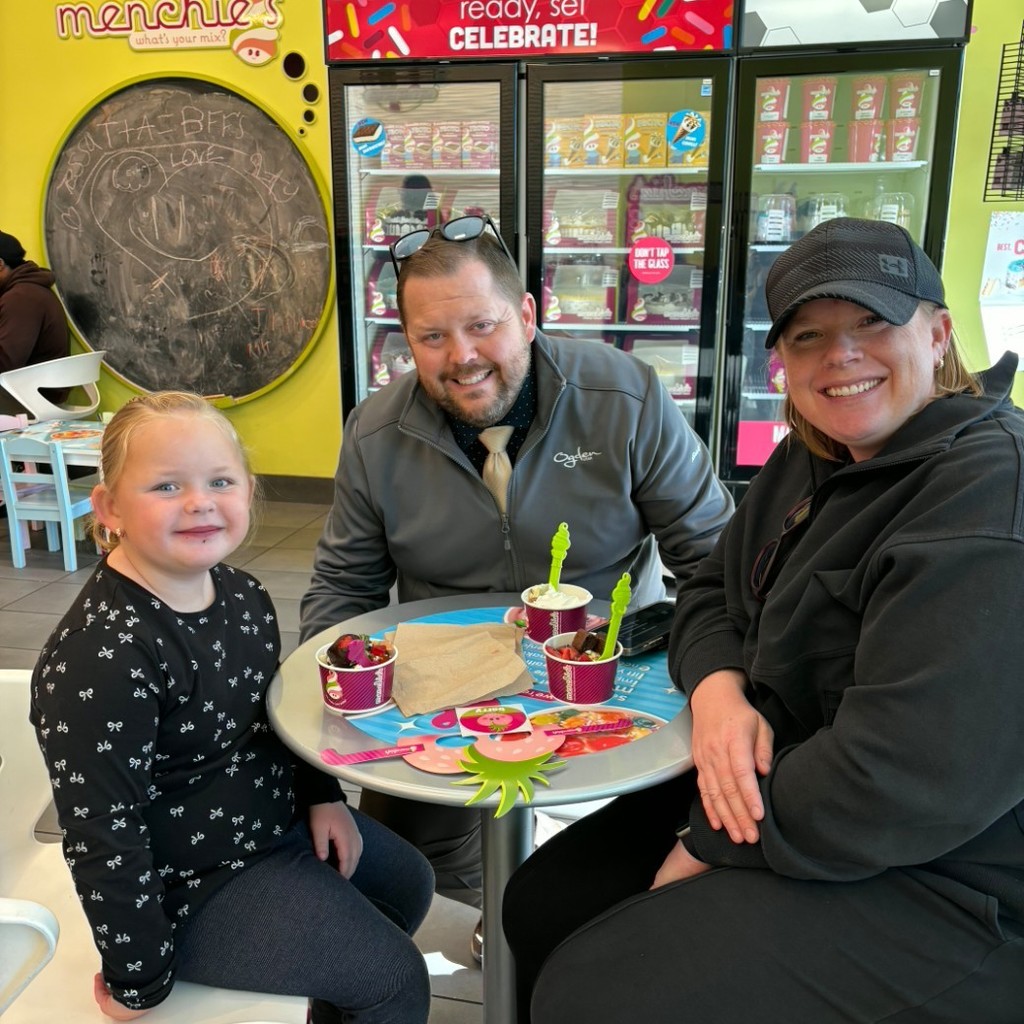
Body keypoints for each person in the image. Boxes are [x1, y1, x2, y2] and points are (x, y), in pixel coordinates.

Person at [503, 217, 1024, 1023]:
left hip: (951, 881)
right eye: (809, 336)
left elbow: (899, 779)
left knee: (602, 988)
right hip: (786, 791)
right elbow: (711, 589)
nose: (840, 357)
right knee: (543, 902)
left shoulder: (988, 501)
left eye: (871, 323)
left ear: (940, 331)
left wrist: (712, 843)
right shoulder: (818, 452)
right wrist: (717, 690)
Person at [299, 216, 734, 936]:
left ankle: (579, 943)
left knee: (670, 866)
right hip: (446, 686)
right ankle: (489, 923)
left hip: (618, 668)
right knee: (386, 873)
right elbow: (344, 588)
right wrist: (333, 704)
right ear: (405, 339)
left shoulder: (625, 398)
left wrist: (703, 665)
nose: (462, 357)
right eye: (432, 337)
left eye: (482, 326)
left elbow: (714, 561)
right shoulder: (374, 434)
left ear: (528, 315)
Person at [30, 392, 434, 1022]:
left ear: (248, 491)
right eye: (166, 486)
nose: (200, 502)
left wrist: (321, 795)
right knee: (393, 978)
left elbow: (273, 716)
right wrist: (139, 979)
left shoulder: (243, 594)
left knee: (409, 880)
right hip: (190, 882)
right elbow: (104, 833)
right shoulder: (101, 656)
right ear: (108, 508)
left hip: (270, 821)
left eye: (220, 481)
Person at [0, 230, 70, 408]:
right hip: (27, 396)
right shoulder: (26, 291)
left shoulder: (22, 298)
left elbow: (5, 365)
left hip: (28, 402)